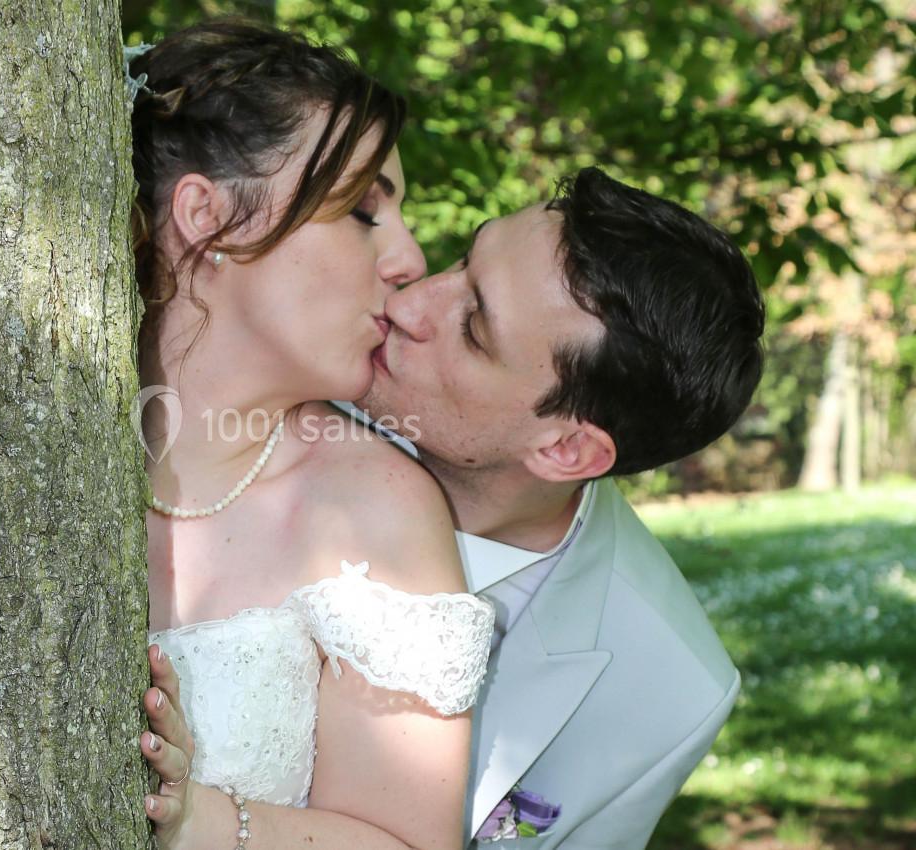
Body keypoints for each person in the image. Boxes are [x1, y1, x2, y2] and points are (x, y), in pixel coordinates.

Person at [143, 166, 765, 848]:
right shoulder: (284, 384)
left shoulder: (672, 691)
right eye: (465, 262)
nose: (409, 304)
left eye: (472, 327)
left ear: (564, 450)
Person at [128, 20, 496, 850]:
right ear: (208, 217)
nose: (408, 259)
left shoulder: (378, 511)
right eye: (364, 212)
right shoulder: (6, 447)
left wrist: (202, 821)